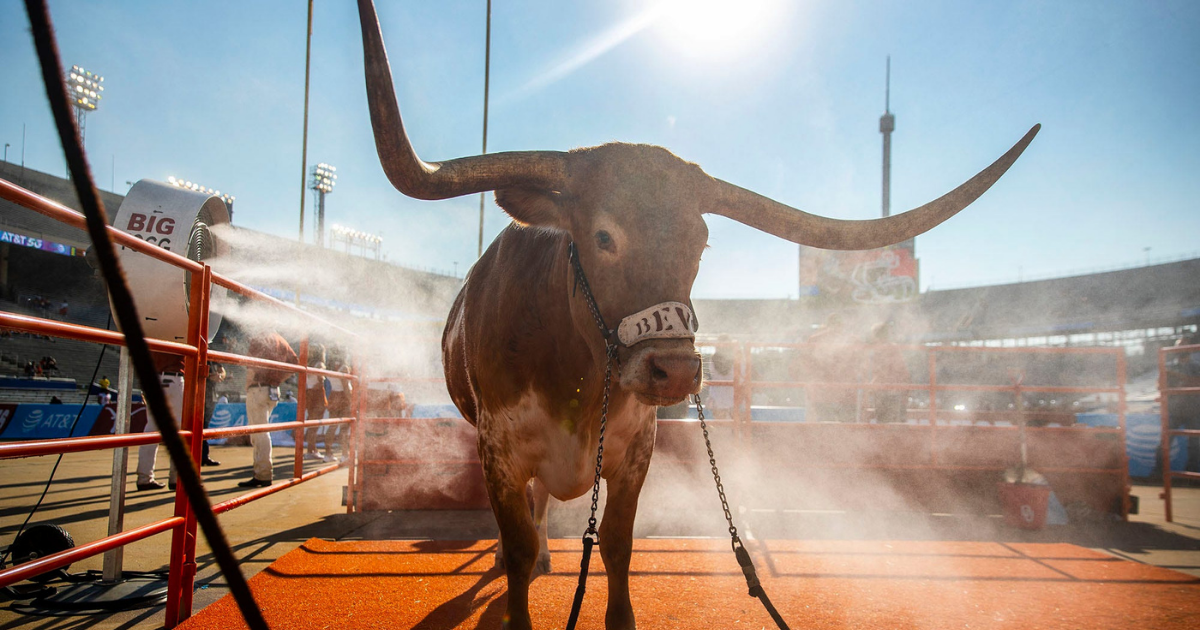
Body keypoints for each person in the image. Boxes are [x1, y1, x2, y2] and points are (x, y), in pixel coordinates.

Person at [239, 332, 298, 488]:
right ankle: (261, 472)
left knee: (259, 434)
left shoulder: (259, 337)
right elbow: (294, 364)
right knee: (262, 432)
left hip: (258, 388)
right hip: (272, 389)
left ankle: (263, 474)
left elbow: (251, 367)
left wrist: (248, 386)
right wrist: (278, 379)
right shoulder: (281, 339)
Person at [795, 313, 860, 422]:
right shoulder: (852, 340)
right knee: (847, 426)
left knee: (825, 425)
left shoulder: (815, 339)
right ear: (843, 324)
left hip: (823, 391)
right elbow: (860, 364)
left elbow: (806, 363)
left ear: (827, 324)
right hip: (846, 391)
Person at [136, 353, 186, 491]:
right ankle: (176, 478)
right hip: (173, 378)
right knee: (179, 430)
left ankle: (144, 477)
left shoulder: (154, 332)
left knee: (151, 429)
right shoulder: (178, 332)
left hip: (153, 377)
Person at [1166, 333, 1200, 473]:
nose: (1180, 349)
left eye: (1183, 346)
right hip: (1174, 409)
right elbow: (1161, 386)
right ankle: (1159, 473)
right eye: (1178, 346)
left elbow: (1197, 382)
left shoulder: (1196, 366)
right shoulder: (1169, 366)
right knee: (1165, 442)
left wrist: (1177, 376)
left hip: (1194, 410)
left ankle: (1191, 474)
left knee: (1195, 444)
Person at [867, 322, 909, 423]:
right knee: (893, 423)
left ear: (876, 335)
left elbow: (883, 371)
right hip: (894, 390)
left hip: (885, 390)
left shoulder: (881, 349)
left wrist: (872, 385)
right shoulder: (894, 348)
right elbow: (902, 370)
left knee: (883, 422)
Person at [323, 356, 353, 462]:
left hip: (334, 395)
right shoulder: (344, 367)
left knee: (332, 426)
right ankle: (345, 455)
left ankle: (328, 454)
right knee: (344, 428)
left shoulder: (330, 367)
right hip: (344, 397)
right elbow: (345, 387)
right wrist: (352, 401)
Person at [303, 345, 327, 461]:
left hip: (309, 393)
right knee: (315, 423)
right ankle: (311, 450)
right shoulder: (319, 365)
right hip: (317, 395)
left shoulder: (307, 363)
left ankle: (312, 449)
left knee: (312, 422)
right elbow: (320, 381)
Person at [201, 362, 226, 466]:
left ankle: (203, 456)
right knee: (195, 425)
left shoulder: (211, 355)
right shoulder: (198, 353)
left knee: (204, 426)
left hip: (210, 394)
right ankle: (196, 456)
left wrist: (220, 376)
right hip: (198, 392)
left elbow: (223, 370)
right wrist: (210, 376)